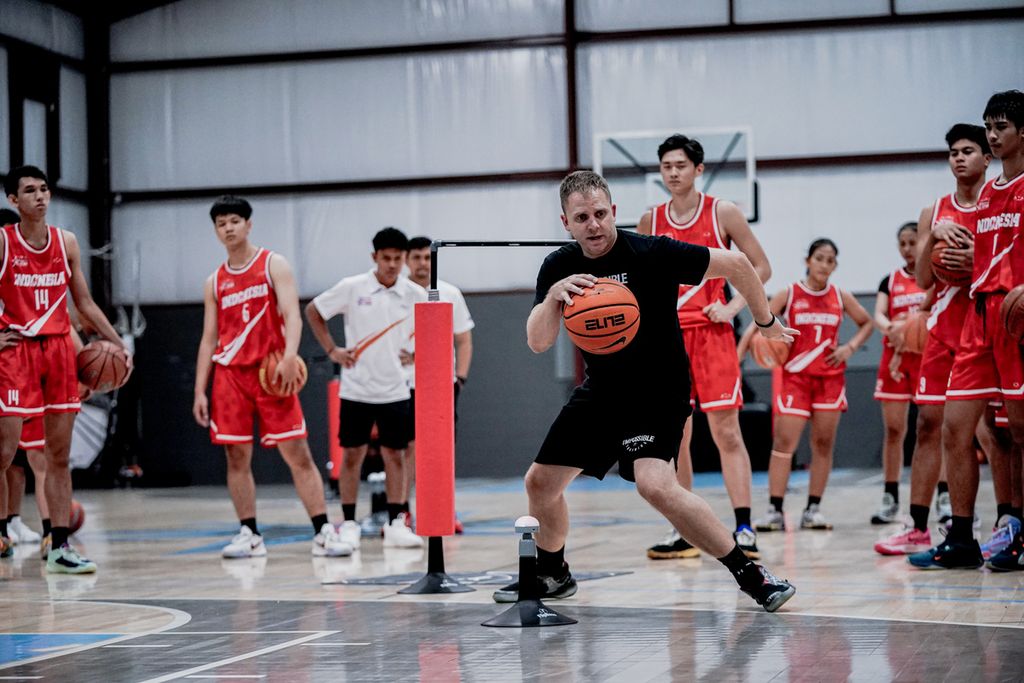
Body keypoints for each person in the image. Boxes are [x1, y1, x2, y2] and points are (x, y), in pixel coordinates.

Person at [493, 170, 796, 612]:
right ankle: (554, 573)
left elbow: (739, 265)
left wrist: (764, 322)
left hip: (659, 390)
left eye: (600, 214)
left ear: (614, 212)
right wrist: (553, 298)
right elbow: (538, 342)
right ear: (566, 223)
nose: (593, 224)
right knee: (540, 483)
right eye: (582, 218)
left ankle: (751, 574)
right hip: (602, 392)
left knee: (654, 485)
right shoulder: (559, 266)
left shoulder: (651, 251)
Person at [192, 195, 350, 560]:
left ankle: (322, 530)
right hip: (230, 375)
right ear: (216, 231)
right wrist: (200, 390)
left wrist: (290, 355)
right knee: (236, 457)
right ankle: (249, 532)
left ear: (249, 224)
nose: (228, 228)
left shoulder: (272, 264)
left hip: (271, 370)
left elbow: (292, 315)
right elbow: (208, 338)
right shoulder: (214, 282)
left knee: (298, 452)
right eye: (221, 223)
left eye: (234, 221)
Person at [637, 134, 771, 560]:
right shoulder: (650, 220)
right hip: (667, 340)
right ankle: (685, 530)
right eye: (666, 166)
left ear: (698, 169)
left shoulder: (723, 212)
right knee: (676, 438)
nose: (672, 173)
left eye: (680, 165)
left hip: (712, 336)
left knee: (726, 431)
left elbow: (761, 266)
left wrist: (733, 307)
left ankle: (745, 527)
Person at [874, 124, 1006, 556]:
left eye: (968, 151)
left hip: (988, 327)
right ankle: (917, 526)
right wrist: (933, 236)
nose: (959, 158)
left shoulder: (997, 202)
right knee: (928, 425)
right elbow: (922, 277)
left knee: (992, 431)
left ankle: (1006, 520)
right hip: (944, 330)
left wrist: (976, 259)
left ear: (987, 158)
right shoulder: (935, 209)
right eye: (953, 152)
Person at [911, 91, 1024, 570]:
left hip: (1016, 318)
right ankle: (961, 537)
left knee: (1018, 431)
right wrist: (947, 254)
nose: (992, 135)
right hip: (979, 316)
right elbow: (972, 261)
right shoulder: (990, 196)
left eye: (1000, 127)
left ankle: (1015, 526)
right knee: (955, 428)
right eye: (988, 127)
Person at [1, 165, 130, 573]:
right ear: (13, 201)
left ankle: (58, 547)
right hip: (16, 351)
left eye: (44, 189)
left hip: (58, 351)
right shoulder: (3, 243)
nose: (40, 196)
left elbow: (85, 305)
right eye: (29, 191)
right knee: (4, 453)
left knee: (57, 456)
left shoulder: (66, 242)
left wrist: (117, 344)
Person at [305, 227, 426, 550]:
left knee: (396, 456)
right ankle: (347, 523)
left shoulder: (414, 293)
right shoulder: (352, 287)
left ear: (403, 260)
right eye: (385, 258)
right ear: (374, 257)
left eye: (397, 258)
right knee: (351, 457)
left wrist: (416, 354)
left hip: (395, 390)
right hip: (356, 389)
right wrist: (332, 350)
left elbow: (434, 330)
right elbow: (314, 311)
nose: (391, 264)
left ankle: (396, 521)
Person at [752, 239, 874, 532]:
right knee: (784, 445)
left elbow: (867, 322)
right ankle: (774, 510)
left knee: (822, 445)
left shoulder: (840, 296)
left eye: (830, 260)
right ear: (808, 261)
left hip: (830, 379)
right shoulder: (790, 293)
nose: (824, 264)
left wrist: (850, 348)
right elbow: (761, 319)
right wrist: (762, 344)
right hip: (796, 378)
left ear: (835, 266)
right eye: (819, 258)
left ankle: (813, 510)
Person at [402, 236, 473, 532]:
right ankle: (402, 510)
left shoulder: (450, 292)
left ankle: (445, 510)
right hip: (401, 384)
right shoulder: (395, 293)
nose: (422, 263)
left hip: (441, 385)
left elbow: (464, 338)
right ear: (407, 259)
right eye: (416, 257)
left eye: (427, 257)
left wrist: (460, 378)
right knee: (406, 450)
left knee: (443, 450)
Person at [869, 223, 928, 524]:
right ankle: (890, 497)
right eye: (902, 243)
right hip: (895, 359)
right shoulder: (889, 280)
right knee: (894, 431)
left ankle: (942, 496)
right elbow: (879, 315)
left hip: (928, 359)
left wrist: (911, 325)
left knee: (932, 430)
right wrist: (894, 327)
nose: (907, 248)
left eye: (912, 242)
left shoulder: (933, 277)